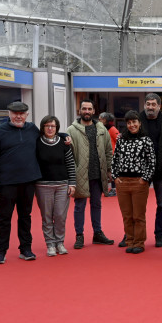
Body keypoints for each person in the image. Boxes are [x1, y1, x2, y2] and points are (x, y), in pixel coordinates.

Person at [0, 102, 67, 263]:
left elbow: (49, 134)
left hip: (29, 182)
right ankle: (0, 251)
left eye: (22, 113)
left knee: (25, 216)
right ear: (9, 114)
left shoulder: (32, 129)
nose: (18, 116)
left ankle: (25, 249)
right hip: (7, 183)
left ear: (27, 115)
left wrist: (64, 136)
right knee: (4, 218)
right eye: (15, 113)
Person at [67, 99, 114, 249]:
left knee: (97, 204)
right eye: (84, 109)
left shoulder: (101, 129)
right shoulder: (71, 130)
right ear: (79, 111)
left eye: (89, 109)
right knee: (79, 206)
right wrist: (72, 176)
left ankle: (97, 233)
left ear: (94, 111)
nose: (87, 111)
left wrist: (109, 170)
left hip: (98, 175)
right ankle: (79, 235)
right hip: (80, 174)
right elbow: (68, 155)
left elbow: (108, 151)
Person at [136, 93, 162, 248]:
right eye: (148, 104)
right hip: (141, 170)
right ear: (145, 105)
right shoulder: (137, 121)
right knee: (137, 205)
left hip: (161, 170)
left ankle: (160, 235)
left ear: (159, 106)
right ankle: (132, 234)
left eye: (154, 104)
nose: (150, 107)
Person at [112, 111, 156, 254]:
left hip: (139, 183)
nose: (132, 125)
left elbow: (152, 162)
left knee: (138, 215)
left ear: (139, 123)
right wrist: (115, 177)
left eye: (134, 122)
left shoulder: (146, 140)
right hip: (122, 182)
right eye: (129, 123)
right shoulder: (121, 139)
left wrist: (145, 178)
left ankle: (139, 242)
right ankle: (129, 241)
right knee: (127, 215)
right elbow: (115, 159)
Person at [35, 115, 76, 257]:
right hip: (43, 185)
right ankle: (50, 244)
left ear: (57, 127)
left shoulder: (64, 143)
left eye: (53, 126)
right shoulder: (37, 143)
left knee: (60, 215)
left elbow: (71, 165)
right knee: (46, 217)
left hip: (62, 185)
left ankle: (60, 242)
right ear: (43, 127)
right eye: (47, 126)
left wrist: (73, 183)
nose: (50, 128)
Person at [99, 112, 119, 197]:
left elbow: (119, 141)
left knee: (112, 173)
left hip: (113, 154)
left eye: (100, 119)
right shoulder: (103, 129)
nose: (99, 121)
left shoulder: (112, 129)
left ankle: (114, 190)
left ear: (105, 120)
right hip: (105, 154)